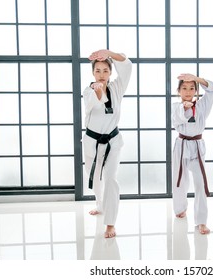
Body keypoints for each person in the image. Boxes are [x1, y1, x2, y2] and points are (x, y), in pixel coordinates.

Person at [82, 49, 132, 238]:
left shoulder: (118, 87)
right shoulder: (88, 90)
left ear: (111, 72)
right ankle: (100, 205)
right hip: (92, 141)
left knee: (110, 179)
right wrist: (97, 92)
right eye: (98, 71)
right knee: (95, 178)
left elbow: (127, 65)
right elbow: (89, 105)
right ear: (93, 73)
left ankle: (110, 224)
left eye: (105, 70)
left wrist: (108, 52)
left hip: (113, 141)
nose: (101, 75)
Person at [172, 73, 213, 235]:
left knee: (200, 183)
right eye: (184, 88)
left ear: (196, 91)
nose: (188, 91)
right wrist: (184, 107)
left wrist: (197, 78)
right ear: (179, 91)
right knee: (180, 180)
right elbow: (177, 120)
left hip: (197, 146)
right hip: (181, 145)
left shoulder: (203, 105)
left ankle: (201, 221)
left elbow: (212, 88)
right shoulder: (175, 107)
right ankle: (180, 208)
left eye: (192, 88)